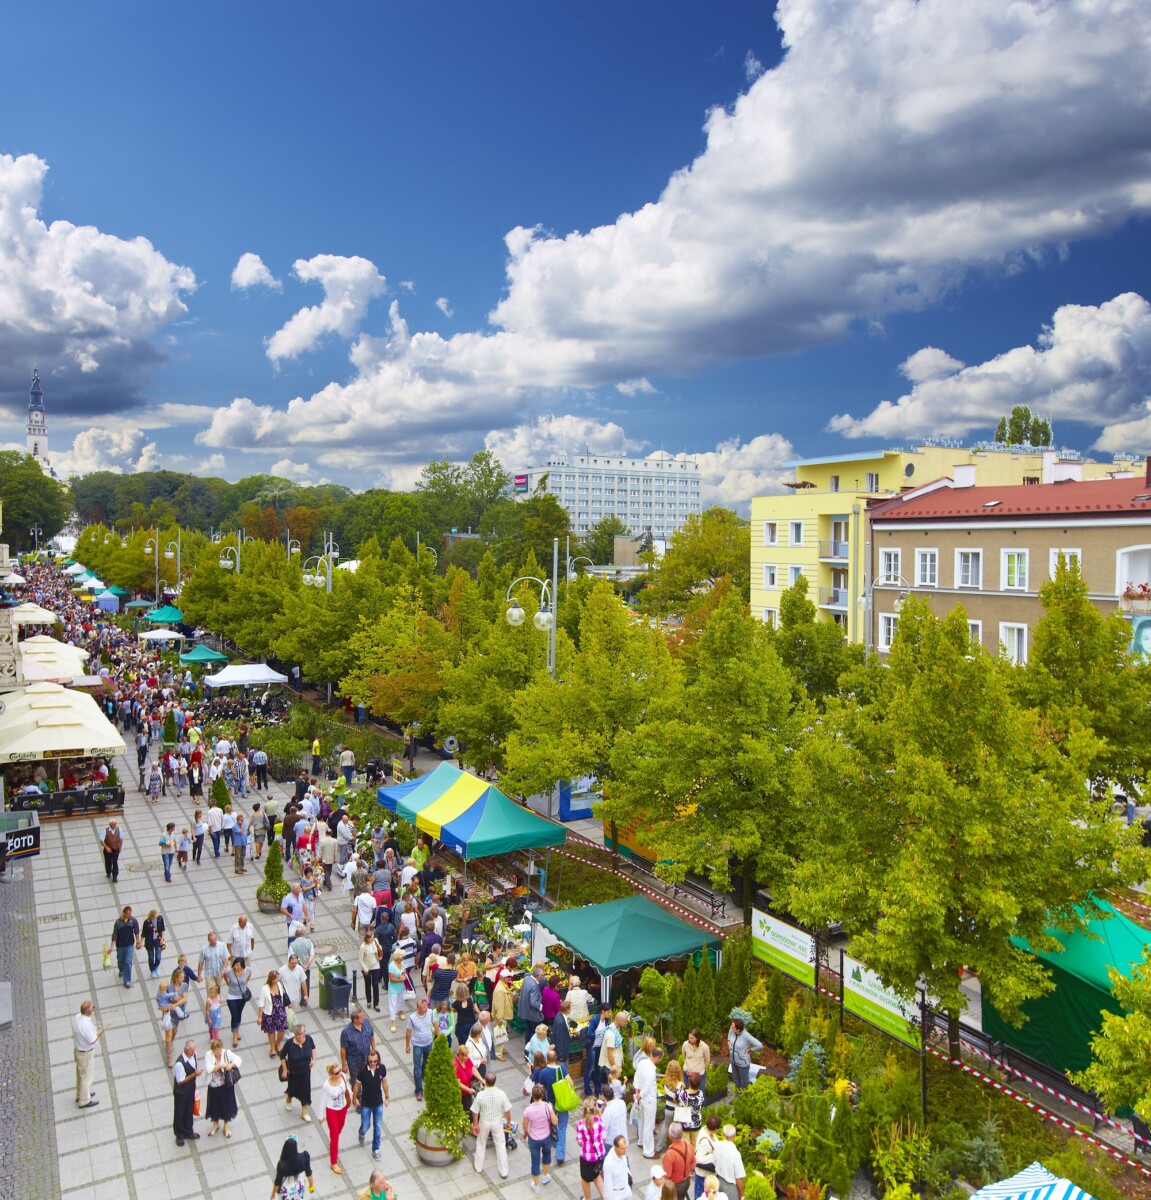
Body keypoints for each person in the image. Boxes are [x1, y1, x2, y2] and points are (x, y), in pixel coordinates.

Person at [472, 1070, 512, 1179]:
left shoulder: (480, 1095)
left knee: (481, 1143)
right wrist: (508, 1123)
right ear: (495, 1081)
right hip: (497, 1122)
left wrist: (475, 1125)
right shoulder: (501, 1094)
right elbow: (507, 1111)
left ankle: (478, 1167)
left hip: (484, 1121)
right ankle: (504, 1171)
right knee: (500, 1145)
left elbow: (475, 1112)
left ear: (485, 1081)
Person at [353, 1048, 390, 1162]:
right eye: (371, 1061)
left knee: (377, 1127)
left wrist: (387, 1097)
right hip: (366, 1104)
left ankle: (376, 1149)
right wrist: (354, 1099)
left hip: (378, 1103)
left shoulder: (382, 1069)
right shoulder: (363, 1072)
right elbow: (356, 1085)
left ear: (378, 1060)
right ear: (367, 1061)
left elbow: (384, 1082)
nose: (373, 1063)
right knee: (366, 1125)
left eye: (375, 1061)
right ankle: (361, 1133)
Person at [523, 1082, 559, 1193]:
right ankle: (545, 1175)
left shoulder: (528, 1110)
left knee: (535, 1161)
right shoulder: (548, 1107)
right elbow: (555, 1121)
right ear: (542, 1095)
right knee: (547, 1155)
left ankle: (536, 1185)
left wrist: (525, 1133)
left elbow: (525, 1124)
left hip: (534, 1139)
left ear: (533, 1096)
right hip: (546, 1137)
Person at [319, 1061, 353, 1175]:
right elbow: (322, 1100)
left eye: (339, 1071)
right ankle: (333, 1162)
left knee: (340, 1128)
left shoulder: (343, 1076)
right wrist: (321, 1116)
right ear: (331, 1074)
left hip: (343, 1108)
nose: (339, 1073)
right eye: (337, 1072)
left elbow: (347, 1089)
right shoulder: (326, 1085)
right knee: (334, 1135)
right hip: (332, 1111)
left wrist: (353, 1098)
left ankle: (334, 1142)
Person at [204, 1037, 242, 1138]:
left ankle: (226, 1126)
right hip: (213, 1085)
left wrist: (231, 1064)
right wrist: (221, 1065)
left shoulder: (226, 1053)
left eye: (220, 1049)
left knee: (226, 1105)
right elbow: (209, 1069)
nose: (219, 1052)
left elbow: (239, 1060)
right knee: (214, 1105)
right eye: (217, 1050)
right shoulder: (208, 1055)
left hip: (226, 1084)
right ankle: (215, 1124)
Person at [281, 1022, 317, 1122]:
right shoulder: (289, 1043)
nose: (300, 1036)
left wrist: (313, 1059)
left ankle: (304, 1112)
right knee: (292, 1088)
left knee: (305, 1091)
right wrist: (285, 1069)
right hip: (293, 1072)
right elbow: (282, 1056)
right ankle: (289, 1098)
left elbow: (313, 1048)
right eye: (298, 1034)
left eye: (302, 1034)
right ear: (295, 1034)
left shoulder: (309, 1039)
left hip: (305, 1071)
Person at [172, 1039, 203, 1147]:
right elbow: (180, 1081)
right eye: (192, 1051)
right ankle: (179, 1135)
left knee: (189, 1110)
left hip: (190, 1089)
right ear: (186, 1050)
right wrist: (194, 1074)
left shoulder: (192, 1056)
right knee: (180, 1112)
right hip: (181, 1092)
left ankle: (188, 1131)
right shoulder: (180, 1064)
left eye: (194, 1050)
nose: (194, 1053)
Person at [72, 999, 102, 1110]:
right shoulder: (85, 1025)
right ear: (89, 1011)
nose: (93, 1010)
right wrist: (99, 1033)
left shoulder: (77, 1017)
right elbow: (92, 1039)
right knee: (86, 1078)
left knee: (80, 1075)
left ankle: (80, 1094)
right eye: (92, 1008)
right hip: (85, 1054)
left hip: (78, 1051)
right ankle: (84, 1101)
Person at [634, 1045, 662, 1158]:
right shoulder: (651, 1070)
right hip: (648, 1099)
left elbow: (636, 1078)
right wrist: (640, 1095)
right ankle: (648, 1151)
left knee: (642, 1121)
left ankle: (641, 1141)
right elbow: (647, 1087)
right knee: (649, 1126)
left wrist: (637, 1092)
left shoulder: (642, 1063)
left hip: (641, 1097)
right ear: (658, 1057)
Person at [577, 1097, 607, 1200]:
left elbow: (580, 1142)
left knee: (585, 1179)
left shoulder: (580, 1124)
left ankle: (587, 1198)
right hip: (600, 1155)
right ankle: (605, 1197)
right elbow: (603, 1139)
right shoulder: (599, 1121)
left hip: (587, 1157)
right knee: (596, 1175)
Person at [405, 997, 434, 1100]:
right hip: (417, 1045)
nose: (425, 1009)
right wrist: (407, 1045)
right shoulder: (412, 1018)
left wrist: (438, 1036)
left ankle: (422, 1076)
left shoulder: (430, 1012)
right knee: (417, 1069)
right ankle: (419, 1090)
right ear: (418, 1008)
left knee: (426, 1064)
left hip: (429, 1043)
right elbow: (408, 1032)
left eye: (426, 1007)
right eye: (422, 1008)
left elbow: (435, 1023)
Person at [270, 1135, 315, 1200]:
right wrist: (311, 1187)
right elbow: (309, 1173)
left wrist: (273, 1194)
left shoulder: (282, 1164)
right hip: (299, 1186)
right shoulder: (304, 1157)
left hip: (286, 1190)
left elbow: (278, 1181)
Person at [341, 1005, 377, 1086]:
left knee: (367, 1081)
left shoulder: (367, 1023)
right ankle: (357, 1097)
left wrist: (373, 1051)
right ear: (355, 1019)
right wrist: (344, 1064)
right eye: (361, 1017)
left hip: (366, 1060)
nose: (363, 1018)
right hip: (354, 1063)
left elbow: (372, 1037)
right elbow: (343, 1049)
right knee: (356, 1083)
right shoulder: (346, 1032)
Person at [259, 968, 290, 1059]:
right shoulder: (265, 989)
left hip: (280, 1011)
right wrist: (260, 1016)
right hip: (269, 1013)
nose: (278, 980)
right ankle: (272, 1047)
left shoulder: (280, 984)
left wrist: (289, 1005)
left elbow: (285, 994)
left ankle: (278, 1044)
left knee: (281, 1031)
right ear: (272, 979)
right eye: (277, 978)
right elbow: (261, 1003)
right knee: (271, 1031)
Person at [108, 905, 142, 988]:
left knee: (128, 961)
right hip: (120, 945)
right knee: (120, 960)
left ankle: (127, 980)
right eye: (128, 914)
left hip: (129, 945)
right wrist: (111, 946)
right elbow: (114, 935)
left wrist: (138, 942)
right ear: (124, 913)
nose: (130, 915)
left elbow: (136, 932)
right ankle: (121, 969)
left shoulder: (133, 921)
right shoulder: (118, 922)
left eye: (130, 914)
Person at [726, 1020, 762, 1092]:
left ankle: (744, 1099)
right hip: (733, 1061)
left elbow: (760, 1045)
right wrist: (730, 1048)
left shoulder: (746, 1036)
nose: (730, 1027)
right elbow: (729, 1040)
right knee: (736, 1080)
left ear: (738, 1029)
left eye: (733, 1027)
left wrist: (750, 1050)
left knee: (744, 1082)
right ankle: (737, 1097)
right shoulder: (731, 1030)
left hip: (743, 1064)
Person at [663, 1124, 696, 1199]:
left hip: (675, 1186)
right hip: (686, 1182)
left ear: (670, 1136)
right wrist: (687, 1172)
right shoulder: (687, 1144)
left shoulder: (670, 1154)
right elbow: (694, 1163)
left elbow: (667, 1175)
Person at [713, 1126, 745, 1200]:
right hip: (730, 1188)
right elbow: (738, 1178)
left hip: (719, 1182)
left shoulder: (718, 1146)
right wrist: (742, 1195)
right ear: (735, 1136)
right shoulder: (735, 1153)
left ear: (723, 1134)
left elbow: (714, 1161)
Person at [226, 959, 252, 1048]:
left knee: (239, 1014)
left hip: (242, 997)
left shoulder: (247, 970)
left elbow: (248, 976)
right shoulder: (229, 972)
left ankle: (237, 1030)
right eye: (235, 965)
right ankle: (234, 1036)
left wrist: (244, 984)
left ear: (242, 965)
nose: (235, 967)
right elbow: (225, 976)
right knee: (234, 1015)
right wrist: (228, 984)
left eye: (237, 965)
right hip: (232, 996)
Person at [359, 928, 384, 1013]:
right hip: (367, 967)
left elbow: (379, 948)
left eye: (373, 937)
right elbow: (360, 959)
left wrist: (380, 954)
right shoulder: (363, 947)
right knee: (368, 985)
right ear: (368, 938)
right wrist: (365, 969)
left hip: (376, 965)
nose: (373, 938)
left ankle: (376, 1004)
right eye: (372, 937)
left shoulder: (375, 941)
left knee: (375, 984)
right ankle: (369, 1001)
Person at [694, 1117, 720, 1199]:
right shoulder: (704, 1141)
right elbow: (698, 1159)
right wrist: (713, 1155)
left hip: (707, 1175)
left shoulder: (705, 1129)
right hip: (703, 1176)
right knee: (700, 1196)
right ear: (715, 1129)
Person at [198, 931, 230, 995]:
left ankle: (217, 1002)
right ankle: (210, 1003)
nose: (213, 941)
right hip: (209, 974)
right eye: (211, 940)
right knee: (211, 992)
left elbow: (226, 959)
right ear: (208, 940)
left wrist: (224, 970)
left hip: (219, 973)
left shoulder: (222, 945)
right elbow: (201, 963)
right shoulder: (204, 949)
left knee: (218, 990)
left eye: (214, 939)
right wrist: (199, 975)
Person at [604, 1134, 633, 1200]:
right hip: (616, 1194)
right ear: (616, 1147)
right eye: (622, 1148)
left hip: (626, 1190)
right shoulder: (608, 1163)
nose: (625, 1151)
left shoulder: (622, 1154)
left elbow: (625, 1166)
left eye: (626, 1148)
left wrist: (629, 1173)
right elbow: (607, 1186)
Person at [386, 946, 407, 1032]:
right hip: (393, 988)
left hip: (401, 987)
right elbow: (391, 979)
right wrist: (401, 979)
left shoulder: (402, 963)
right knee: (392, 1005)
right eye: (402, 956)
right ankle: (393, 1021)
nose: (404, 958)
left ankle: (400, 1011)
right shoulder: (392, 965)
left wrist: (404, 976)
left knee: (401, 1000)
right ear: (398, 957)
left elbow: (404, 971)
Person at [142, 909, 166, 979]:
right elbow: (143, 933)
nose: (154, 918)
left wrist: (162, 939)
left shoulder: (160, 919)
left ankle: (156, 966)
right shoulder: (147, 922)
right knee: (151, 957)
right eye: (153, 917)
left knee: (158, 957)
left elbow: (163, 929)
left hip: (158, 940)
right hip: (149, 941)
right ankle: (152, 970)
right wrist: (140, 942)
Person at [101, 818, 123, 883]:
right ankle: (108, 871)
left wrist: (120, 847)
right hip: (108, 849)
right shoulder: (105, 831)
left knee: (115, 861)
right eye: (114, 824)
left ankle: (115, 876)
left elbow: (121, 838)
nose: (115, 825)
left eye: (115, 824)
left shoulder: (119, 829)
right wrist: (106, 847)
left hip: (116, 849)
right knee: (108, 861)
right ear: (110, 825)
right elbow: (101, 840)